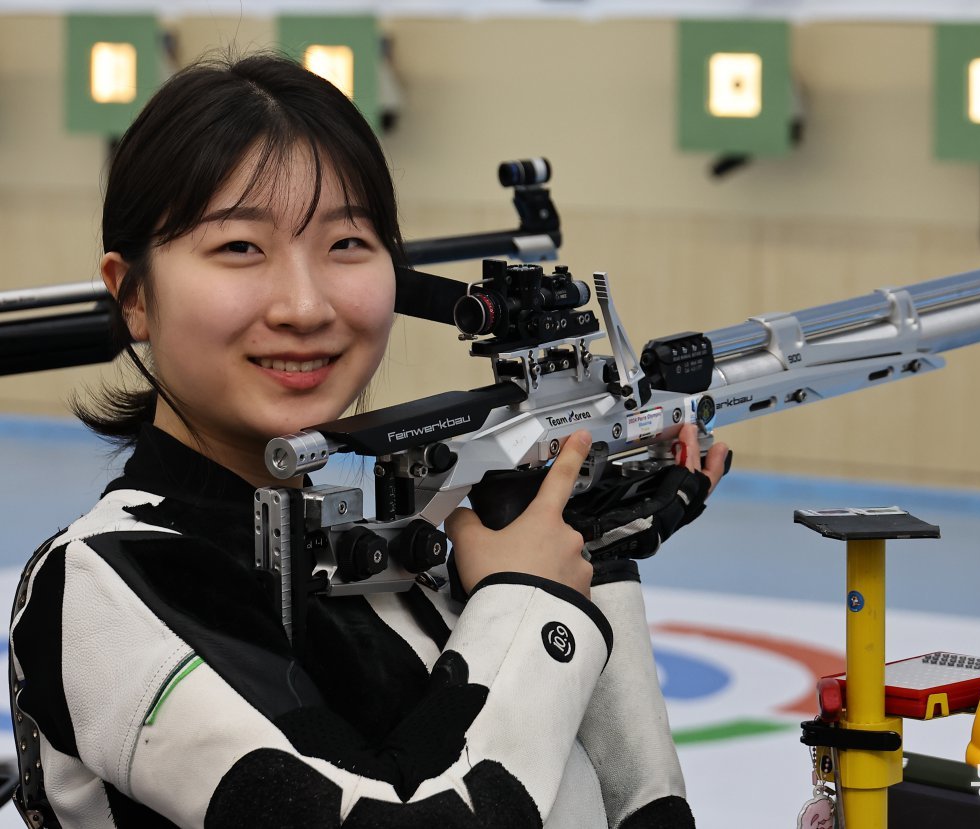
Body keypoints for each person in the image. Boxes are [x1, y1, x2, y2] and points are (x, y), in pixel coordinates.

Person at [9, 54, 729, 828]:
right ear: (133, 297)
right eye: (240, 248)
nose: (305, 303)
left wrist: (593, 557)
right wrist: (533, 601)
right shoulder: (103, 581)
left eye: (347, 243)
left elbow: (616, 803)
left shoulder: (397, 546)